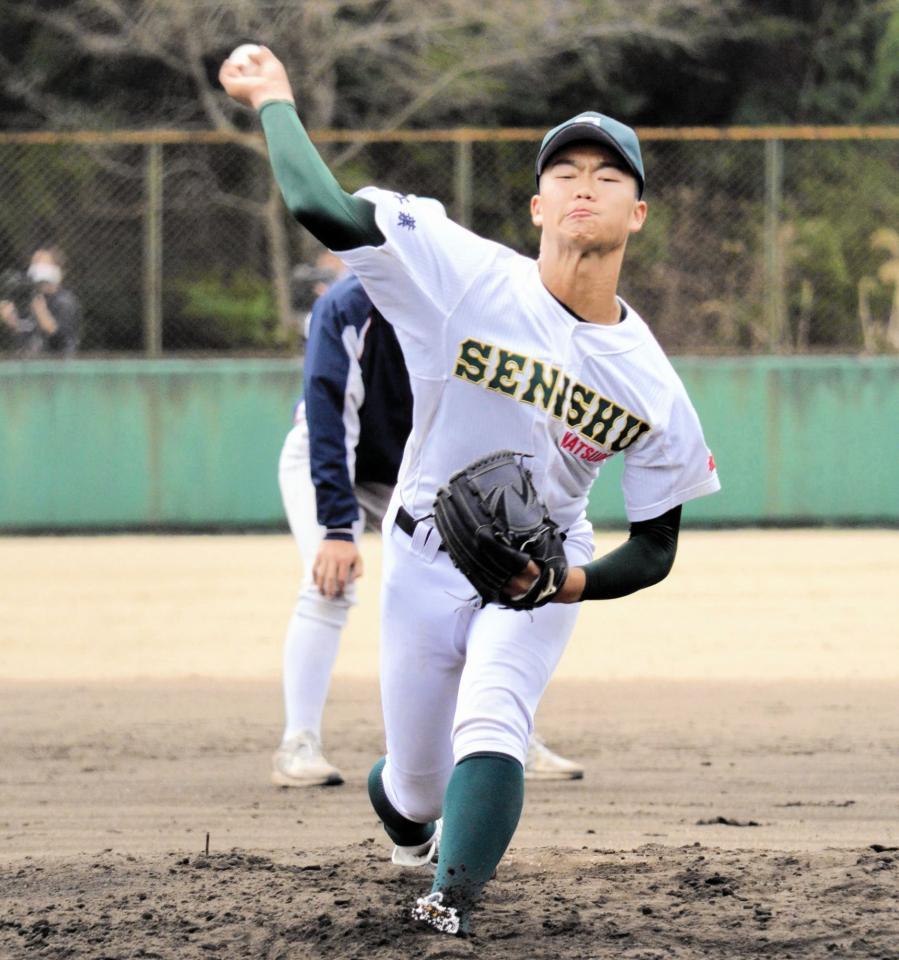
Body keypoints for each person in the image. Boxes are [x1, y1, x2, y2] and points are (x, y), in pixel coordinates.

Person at [220, 48, 720, 937]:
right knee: (414, 785)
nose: (582, 186)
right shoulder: (464, 277)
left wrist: (563, 584)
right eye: (562, 171)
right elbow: (320, 208)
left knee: (493, 714)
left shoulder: (651, 385)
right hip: (419, 555)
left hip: (540, 566)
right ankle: (409, 819)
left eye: (608, 176)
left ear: (636, 214)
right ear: (535, 205)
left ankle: (447, 905)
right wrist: (273, 99)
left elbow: (656, 548)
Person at [272, 265, 585, 787]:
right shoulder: (350, 306)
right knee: (328, 581)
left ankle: (498, 734)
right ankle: (297, 743)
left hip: (417, 475)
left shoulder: (469, 304)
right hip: (330, 462)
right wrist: (335, 530)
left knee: (478, 587)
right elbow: (329, 417)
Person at [0, 248, 81, 356]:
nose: (36, 268)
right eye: (34, 263)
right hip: (33, 366)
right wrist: (13, 322)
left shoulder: (65, 301)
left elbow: (61, 341)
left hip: (58, 368)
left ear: (58, 270)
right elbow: (29, 334)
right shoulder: (33, 297)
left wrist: (41, 312)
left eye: (42, 264)